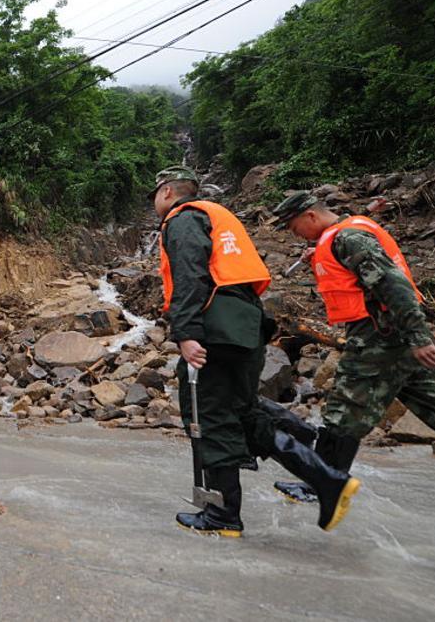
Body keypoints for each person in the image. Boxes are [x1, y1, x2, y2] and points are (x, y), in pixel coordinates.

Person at [271, 191, 435, 519]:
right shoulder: (344, 234)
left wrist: (419, 337)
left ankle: (322, 483)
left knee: (344, 406)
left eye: (292, 225)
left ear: (311, 216)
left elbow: (393, 286)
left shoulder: (349, 238)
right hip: (391, 336)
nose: (292, 233)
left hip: (380, 336)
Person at [151, 166, 359, 536]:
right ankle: (324, 476)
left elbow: (190, 276)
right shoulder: (221, 217)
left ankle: (223, 515)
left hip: (215, 327)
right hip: (246, 326)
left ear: (168, 192)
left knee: (211, 414)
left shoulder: (182, 218)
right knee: (244, 414)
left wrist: (185, 332)